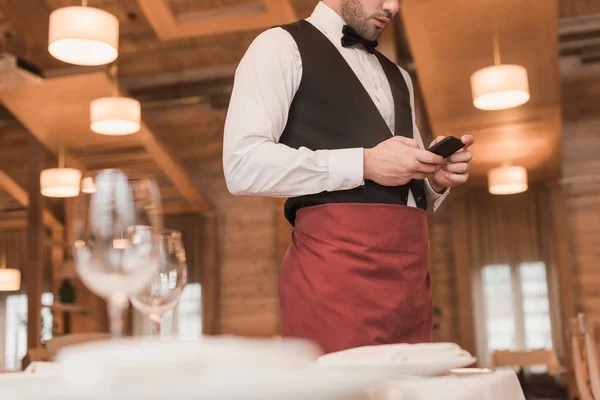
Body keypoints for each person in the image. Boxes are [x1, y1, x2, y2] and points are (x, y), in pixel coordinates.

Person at [222, 0, 474, 354]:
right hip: (333, 280)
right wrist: (363, 163)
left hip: (410, 283)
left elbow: (405, 188)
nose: (394, 6)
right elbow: (241, 165)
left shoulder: (401, 78)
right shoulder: (279, 46)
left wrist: (434, 181)